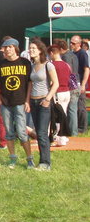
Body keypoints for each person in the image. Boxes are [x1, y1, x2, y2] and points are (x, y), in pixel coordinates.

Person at [0, 38, 35, 169]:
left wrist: (27, 100)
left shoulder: (25, 63)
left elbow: (29, 83)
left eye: (10, 47)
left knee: (22, 132)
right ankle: (12, 159)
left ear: (16, 48)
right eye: (6, 47)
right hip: (6, 103)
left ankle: (29, 159)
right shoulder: (0, 64)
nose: (8, 50)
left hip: (20, 102)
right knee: (9, 132)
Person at [28, 38, 59, 171]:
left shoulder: (48, 65)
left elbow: (56, 83)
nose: (31, 50)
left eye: (34, 48)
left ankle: (45, 163)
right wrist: (27, 100)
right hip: (33, 101)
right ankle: (42, 161)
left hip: (43, 102)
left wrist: (47, 99)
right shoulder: (32, 66)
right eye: (30, 48)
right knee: (38, 132)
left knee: (41, 133)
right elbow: (30, 84)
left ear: (40, 50)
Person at [55, 38, 80, 136]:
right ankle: (73, 131)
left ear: (60, 49)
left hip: (70, 84)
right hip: (77, 82)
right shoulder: (74, 55)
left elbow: (68, 71)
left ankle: (71, 132)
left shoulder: (65, 57)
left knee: (69, 110)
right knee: (73, 109)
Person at [70, 35, 89, 134]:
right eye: (71, 42)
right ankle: (77, 126)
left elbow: (86, 69)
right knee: (75, 107)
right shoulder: (72, 53)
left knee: (81, 106)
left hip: (80, 83)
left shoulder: (82, 53)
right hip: (74, 83)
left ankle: (82, 128)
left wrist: (83, 84)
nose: (71, 44)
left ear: (79, 44)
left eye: (73, 43)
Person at [48, 44, 72, 118]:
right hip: (66, 92)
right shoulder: (67, 65)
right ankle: (63, 129)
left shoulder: (51, 65)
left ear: (51, 53)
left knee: (55, 115)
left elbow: (50, 81)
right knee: (63, 114)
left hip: (57, 93)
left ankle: (57, 129)